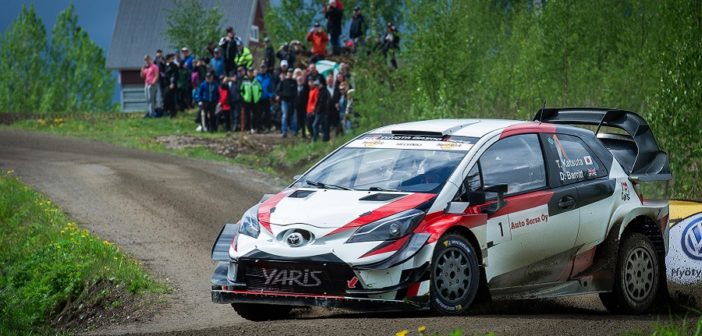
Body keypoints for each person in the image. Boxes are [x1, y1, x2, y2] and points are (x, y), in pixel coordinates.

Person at [276, 68, 297, 137]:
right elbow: (278, 91)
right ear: (287, 73)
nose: (290, 73)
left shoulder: (294, 82)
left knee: (293, 116)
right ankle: (284, 131)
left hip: (292, 101)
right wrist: (282, 96)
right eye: (289, 72)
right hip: (285, 101)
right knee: (285, 115)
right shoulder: (283, 81)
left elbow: (296, 92)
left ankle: (294, 131)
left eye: (291, 72)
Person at [240, 67, 262, 133]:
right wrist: (244, 97)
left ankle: (255, 128)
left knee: (256, 115)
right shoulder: (244, 81)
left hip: (255, 100)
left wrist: (258, 97)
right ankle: (248, 129)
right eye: (249, 72)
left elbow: (260, 90)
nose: (251, 73)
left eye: (252, 72)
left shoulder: (257, 81)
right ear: (247, 73)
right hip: (247, 100)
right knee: (247, 115)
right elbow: (241, 90)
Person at [256, 64, 273, 132]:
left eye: (264, 68)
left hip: (266, 98)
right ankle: (259, 128)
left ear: (266, 69)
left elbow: (271, 88)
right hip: (259, 98)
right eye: (261, 68)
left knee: (267, 114)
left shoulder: (268, 77)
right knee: (258, 114)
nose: (262, 69)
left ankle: (268, 127)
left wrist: (270, 95)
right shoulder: (257, 78)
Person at [293, 69, 309, 138]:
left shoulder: (306, 87)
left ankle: (304, 133)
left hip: (304, 106)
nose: (299, 81)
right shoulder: (294, 87)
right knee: (298, 120)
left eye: (301, 80)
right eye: (298, 80)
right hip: (297, 106)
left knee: (304, 120)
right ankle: (298, 132)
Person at [228, 67, 244, 131]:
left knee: (237, 114)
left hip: (238, 99)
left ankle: (236, 125)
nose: (233, 77)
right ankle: (232, 125)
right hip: (231, 100)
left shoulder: (240, 80)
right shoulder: (229, 83)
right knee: (232, 114)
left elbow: (240, 89)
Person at [306, 76, 319, 141]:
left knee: (311, 125)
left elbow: (316, 101)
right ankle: (313, 136)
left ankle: (315, 137)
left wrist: (313, 109)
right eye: (309, 82)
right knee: (308, 125)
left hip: (312, 111)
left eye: (311, 82)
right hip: (308, 110)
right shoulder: (310, 90)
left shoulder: (316, 90)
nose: (310, 83)